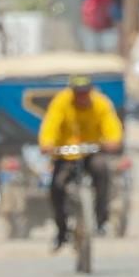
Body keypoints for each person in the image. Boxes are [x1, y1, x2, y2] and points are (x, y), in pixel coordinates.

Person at [38, 75, 124, 252]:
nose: (82, 97)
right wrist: (47, 143)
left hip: (91, 152)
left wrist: (113, 140)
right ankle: (61, 231)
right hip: (66, 154)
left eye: (85, 93)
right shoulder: (61, 102)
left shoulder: (101, 103)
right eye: (78, 93)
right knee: (57, 187)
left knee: (102, 171)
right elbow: (51, 125)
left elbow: (111, 126)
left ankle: (101, 220)